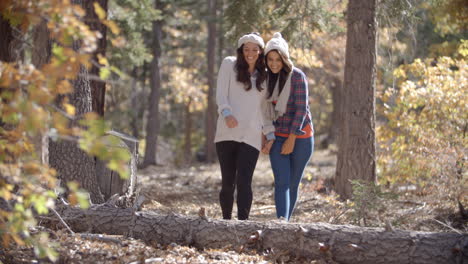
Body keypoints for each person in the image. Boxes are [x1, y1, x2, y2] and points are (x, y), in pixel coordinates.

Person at [214, 32, 275, 220]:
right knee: (228, 183)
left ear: (260, 52)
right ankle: (225, 222)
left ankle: (243, 224)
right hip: (226, 133)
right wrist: (226, 113)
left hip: (251, 136)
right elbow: (221, 94)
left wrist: (269, 133)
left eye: (254, 49)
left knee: (245, 182)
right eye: (246, 49)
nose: (250, 53)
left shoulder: (264, 77)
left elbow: (264, 109)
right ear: (241, 51)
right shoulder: (229, 64)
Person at [261, 32, 314, 221]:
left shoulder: (297, 76)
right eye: (270, 59)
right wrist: (267, 136)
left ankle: (286, 224)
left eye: (278, 59)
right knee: (281, 182)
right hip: (277, 135)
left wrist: (292, 138)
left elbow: (302, 109)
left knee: (292, 183)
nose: (274, 63)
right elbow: (264, 111)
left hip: (301, 137)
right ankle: (282, 223)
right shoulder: (266, 79)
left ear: (285, 58)